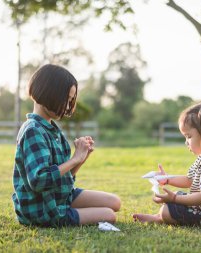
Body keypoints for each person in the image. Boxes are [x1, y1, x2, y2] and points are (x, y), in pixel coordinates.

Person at [12, 64, 121, 227]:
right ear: (48, 93)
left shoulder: (54, 130)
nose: (68, 106)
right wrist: (74, 159)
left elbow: (64, 177)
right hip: (44, 209)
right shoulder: (32, 131)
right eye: (66, 99)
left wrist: (81, 159)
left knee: (115, 202)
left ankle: (72, 209)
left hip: (59, 196)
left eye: (71, 100)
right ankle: (65, 215)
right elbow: (39, 180)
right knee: (109, 215)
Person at [133, 103, 201, 226]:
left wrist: (174, 199)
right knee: (176, 195)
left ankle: (161, 217)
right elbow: (189, 180)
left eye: (189, 136)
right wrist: (166, 179)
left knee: (168, 209)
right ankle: (158, 216)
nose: (186, 142)